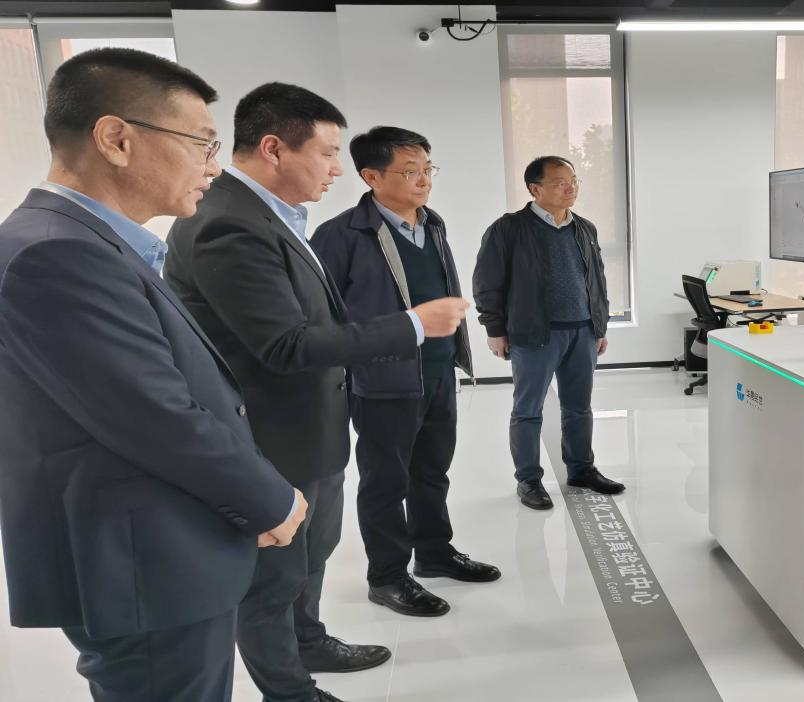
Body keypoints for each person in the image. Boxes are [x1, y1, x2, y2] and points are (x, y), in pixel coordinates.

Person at [0, 48, 306, 702]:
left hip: (155, 547)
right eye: (201, 143)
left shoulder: (83, 241)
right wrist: (270, 498)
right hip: (142, 561)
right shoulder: (58, 253)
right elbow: (155, 415)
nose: (213, 166)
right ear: (116, 139)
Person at [165, 84, 468, 702]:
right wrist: (414, 324)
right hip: (271, 436)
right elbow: (285, 345)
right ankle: (290, 690)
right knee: (273, 578)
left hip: (312, 426)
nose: (336, 169)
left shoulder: (273, 215)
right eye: (328, 154)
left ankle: (309, 642)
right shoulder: (227, 223)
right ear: (274, 148)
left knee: (312, 553)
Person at [312, 127, 500, 618]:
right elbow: (323, 318)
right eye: (410, 171)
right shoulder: (340, 235)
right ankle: (387, 576)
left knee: (432, 471)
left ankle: (434, 552)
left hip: (437, 371)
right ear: (371, 176)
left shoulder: (432, 224)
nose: (424, 180)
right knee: (385, 482)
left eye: (427, 169)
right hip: (382, 381)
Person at [472, 156, 624, 510]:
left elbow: (597, 280)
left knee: (579, 407)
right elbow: (487, 283)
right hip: (534, 333)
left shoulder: (584, 228)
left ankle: (582, 469)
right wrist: (494, 329)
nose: (570, 188)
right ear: (535, 189)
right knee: (528, 410)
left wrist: (599, 325)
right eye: (559, 183)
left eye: (573, 181)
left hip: (582, 332)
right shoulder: (508, 229)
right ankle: (528, 479)